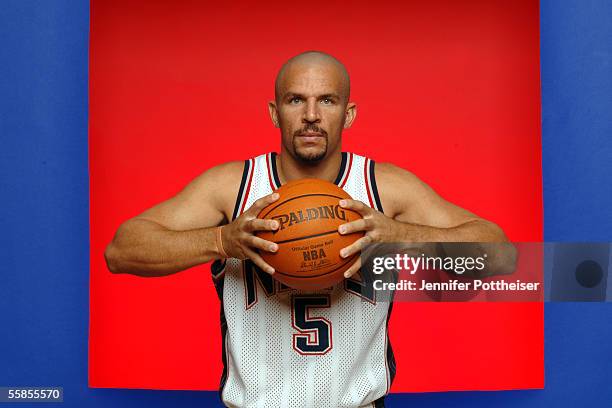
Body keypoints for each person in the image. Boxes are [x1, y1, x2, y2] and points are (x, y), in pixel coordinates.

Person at [104, 51, 512, 408]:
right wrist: (221, 239)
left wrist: (399, 235)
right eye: (295, 99)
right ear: (274, 111)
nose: (312, 115)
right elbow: (120, 251)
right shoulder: (232, 187)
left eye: (327, 100)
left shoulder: (385, 188)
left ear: (348, 113)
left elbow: (502, 255)